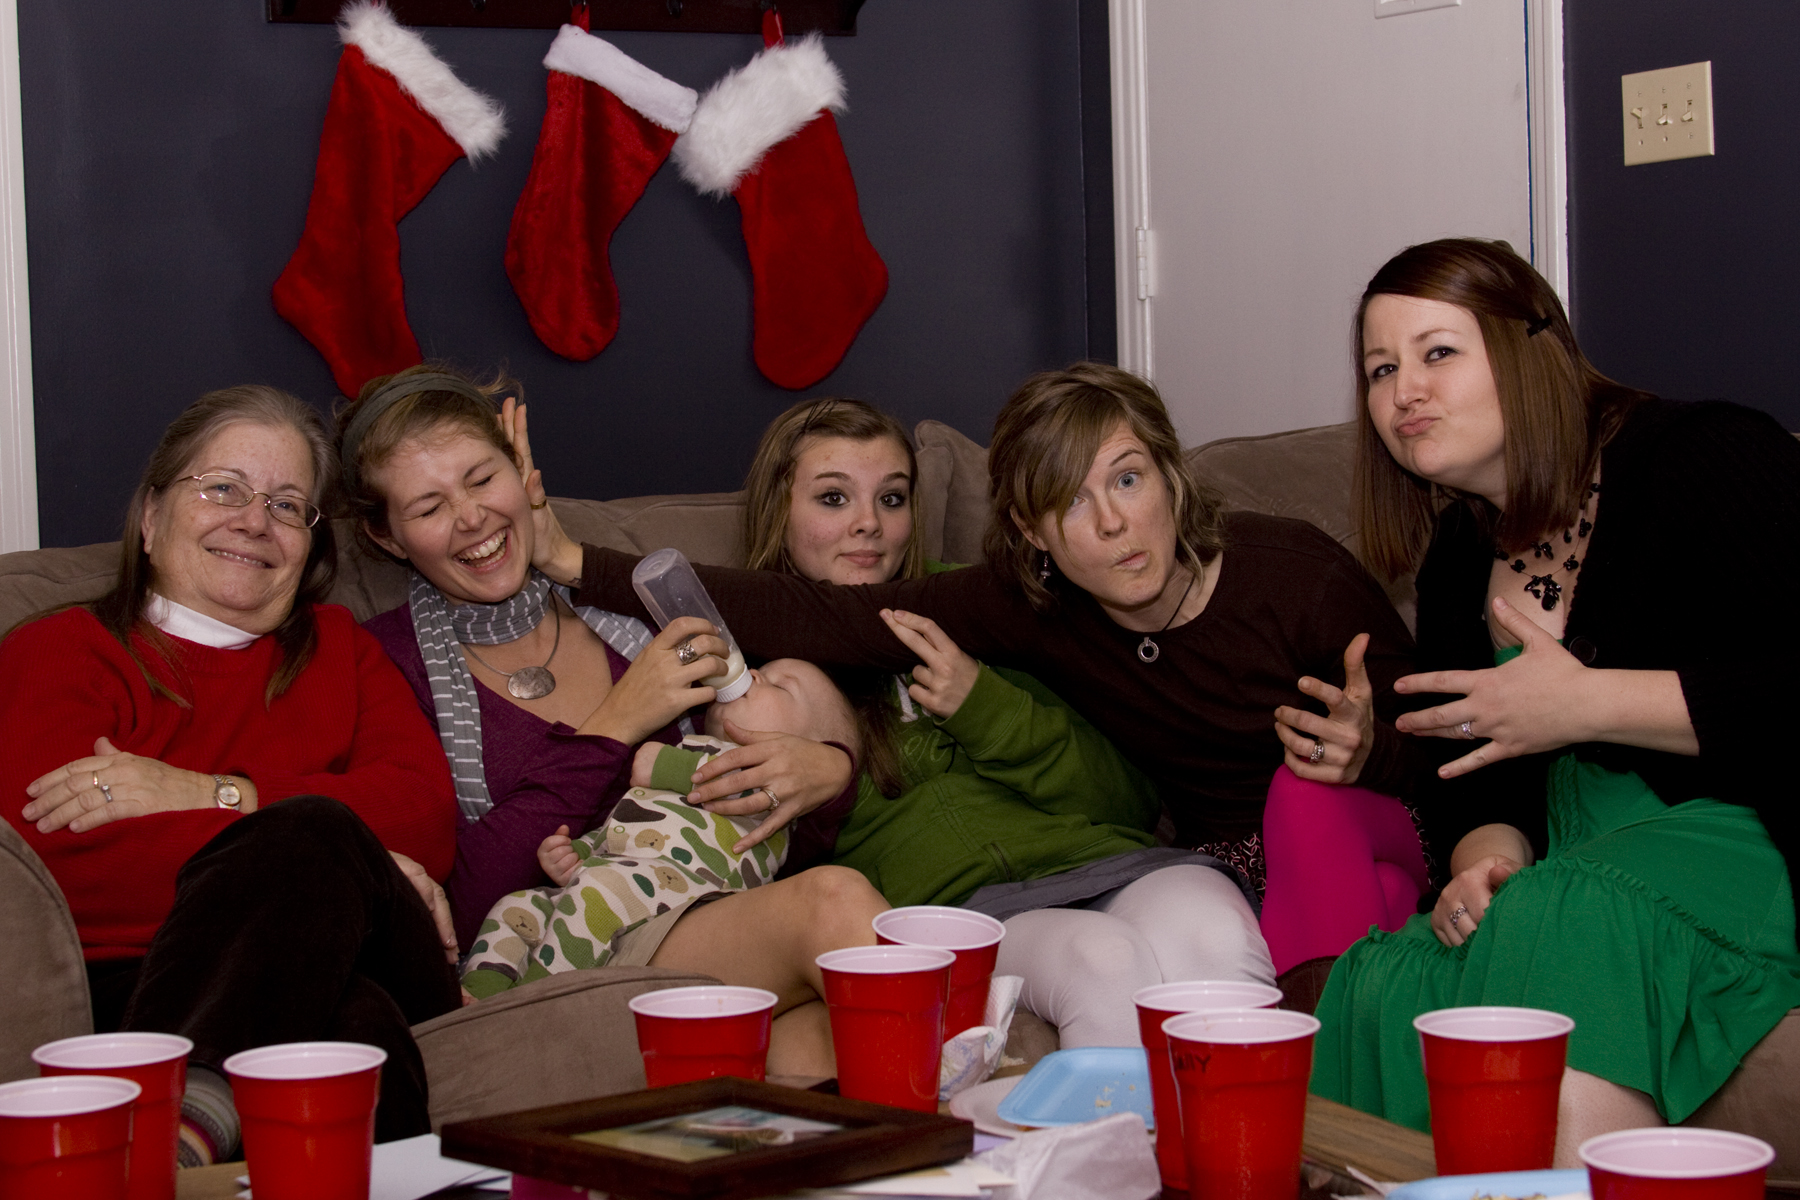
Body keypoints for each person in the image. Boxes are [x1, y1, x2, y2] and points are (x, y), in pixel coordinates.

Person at [528, 370, 1432, 1032]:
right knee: (1102, 961)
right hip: (971, 909)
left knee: (1210, 927)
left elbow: (1123, 798)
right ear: (779, 510)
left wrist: (982, 704)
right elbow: (730, 858)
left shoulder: (990, 613)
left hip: (1116, 861)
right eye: (835, 498)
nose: (868, 524)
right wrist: (830, 776)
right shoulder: (750, 686)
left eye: (891, 498)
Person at [1310, 237, 1800, 1160]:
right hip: (1579, 862)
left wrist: (1589, 704)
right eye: (1381, 369)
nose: (1404, 391)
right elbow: (1476, 778)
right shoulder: (1458, 558)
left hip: (1741, 839)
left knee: (1562, 912)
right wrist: (1486, 863)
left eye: (1437, 352)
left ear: (1527, 348)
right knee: (1384, 979)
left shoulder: (1704, 456)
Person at [346, 367, 887, 1075]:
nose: (472, 517)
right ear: (387, 536)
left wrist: (826, 773)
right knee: (834, 905)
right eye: (428, 506)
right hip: (555, 954)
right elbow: (460, 900)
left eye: (482, 479)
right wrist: (615, 724)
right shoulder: (385, 663)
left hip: (713, 913)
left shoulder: (631, 609)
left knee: (825, 1043)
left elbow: (769, 829)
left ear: (520, 469)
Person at [0, 386, 461, 1161]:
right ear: (152, 517)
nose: (253, 520)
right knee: (354, 1025)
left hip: (380, 949)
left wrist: (209, 795)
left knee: (316, 832)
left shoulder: (341, 649)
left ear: (310, 543)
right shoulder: (61, 654)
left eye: (286, 505)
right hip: (140, 983)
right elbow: (59, 858)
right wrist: (352, 862)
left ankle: (178, 1134)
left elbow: (425, 813)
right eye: (222, 488)